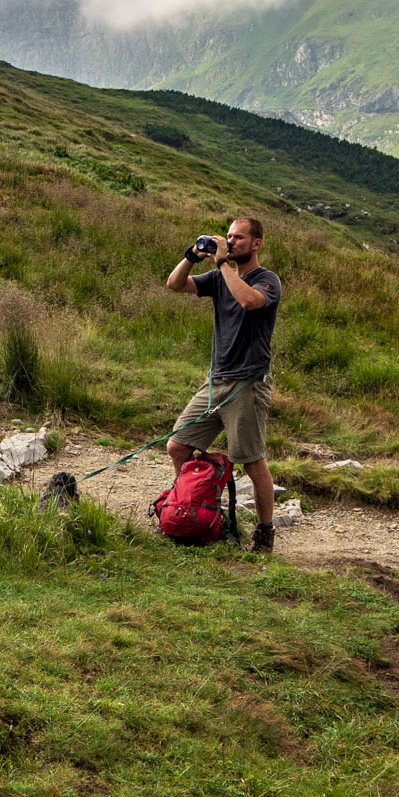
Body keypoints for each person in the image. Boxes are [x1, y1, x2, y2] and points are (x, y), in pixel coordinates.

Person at [164, 217, 282, 551]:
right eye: (229, 236)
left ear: (257, 242)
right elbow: (175, 284)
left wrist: (221, 262)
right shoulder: (219, 277)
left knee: (251, 459)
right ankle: (192, 509)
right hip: (215, 381)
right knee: (178, 445)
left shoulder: (267, 280)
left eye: (239, 238)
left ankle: (265, 531)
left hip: (248, 384)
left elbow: (248, 301)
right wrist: (190, 255)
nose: (232, 242)